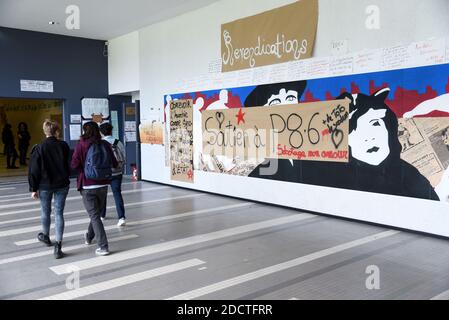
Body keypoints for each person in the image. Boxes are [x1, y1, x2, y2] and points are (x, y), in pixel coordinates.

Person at [71, 121, 117, 256]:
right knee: (95, 214)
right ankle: (89, 236)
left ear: (85, 131)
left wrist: (84, 170)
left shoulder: (81, 145)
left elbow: (74, 165)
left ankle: (103, 246)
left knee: (95, 216)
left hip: (87, 184)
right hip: (103, 184)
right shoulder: (105, 144)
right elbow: (114, 163)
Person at [28, 120, 70, 259]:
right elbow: (69, 165)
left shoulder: (39, 147)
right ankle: (58, 246)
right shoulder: (63, 145)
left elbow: (33, 170)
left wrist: (33, 188)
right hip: (62, 185)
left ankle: (45, 236)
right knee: (59, 213)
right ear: (56, 130)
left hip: (45, 186)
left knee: (45, 211)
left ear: (45, 131)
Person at [99, 122, 126, 226]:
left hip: (104, 173)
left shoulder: (100, 143)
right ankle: (121, 217)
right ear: (111, 131)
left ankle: (102, 215)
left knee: (102, 195)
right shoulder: (118, 142)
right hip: (117, 172)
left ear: (101, 132)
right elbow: (123, 157)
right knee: (117, 194)